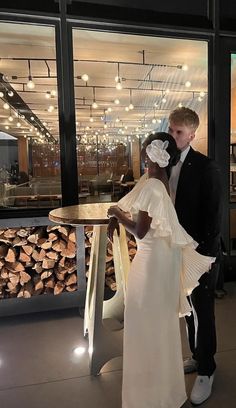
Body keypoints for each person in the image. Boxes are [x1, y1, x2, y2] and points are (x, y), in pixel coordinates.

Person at [107, 132, 215, 408]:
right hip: (161, 262)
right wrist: (120, 210)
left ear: (152, 154)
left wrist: (116, 215)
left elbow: (141, 232)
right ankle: (162, 389)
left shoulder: (152, 186)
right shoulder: (158, 182)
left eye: (145, 149)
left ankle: (148, 394)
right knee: (158, 326)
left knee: (145, 325)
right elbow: (139, 208)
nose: (142, 153)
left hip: (150, 264)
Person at [166, 107, 223, 405]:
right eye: (171, 129)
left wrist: (207, 256)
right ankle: (196, 355)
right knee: (186, 308)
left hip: (200, 253)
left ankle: (207, 369)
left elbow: (215, 216)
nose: (172, 136)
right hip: (175, 251)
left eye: (178, 132)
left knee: (202, 310)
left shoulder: (206, 167)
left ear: (192, 135)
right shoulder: (164, 165)